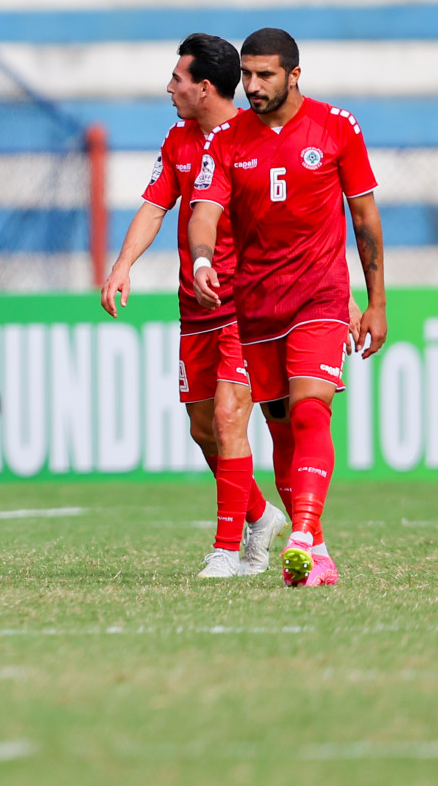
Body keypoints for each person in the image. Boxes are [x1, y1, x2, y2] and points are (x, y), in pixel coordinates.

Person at [189, 27, 386, 587]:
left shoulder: (336, 127)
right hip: (256, 303)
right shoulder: (227, 140)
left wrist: (376, 301)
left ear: (294, 75)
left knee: (309, 410)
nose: (251, 86)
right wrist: (204, 258)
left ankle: (300, 530)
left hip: (321, 294)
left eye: (264, 75)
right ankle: (316, 552)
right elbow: (204, 211)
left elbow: (365, 219)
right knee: (280, 430)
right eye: (247, 74)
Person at [102, 33, 288, 577]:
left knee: (231, 419)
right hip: (196, 310)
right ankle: (258, 515)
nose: (169, 87)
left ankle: (228, 551)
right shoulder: (180, 139)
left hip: (245, 307)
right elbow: (155, 207)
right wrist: (122, 265)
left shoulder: (255, 139)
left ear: (205, 87)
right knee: (203, 428)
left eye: (177, 79)